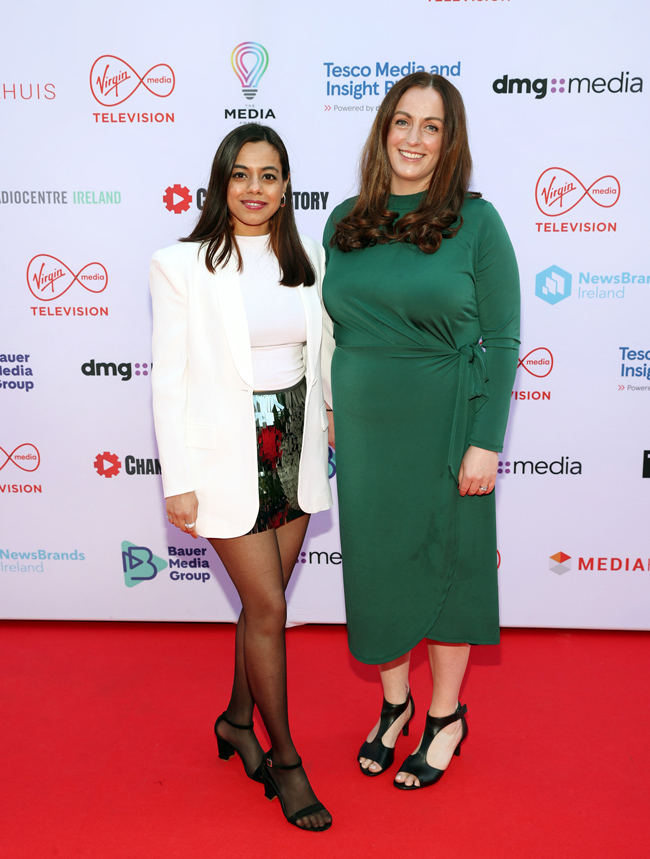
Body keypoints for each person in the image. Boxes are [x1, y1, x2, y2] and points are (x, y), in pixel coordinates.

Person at [322, 73, 520, 790]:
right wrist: (331, 410)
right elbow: (327, 328)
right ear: (382, 130)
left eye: (430, 126)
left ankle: (444, 716)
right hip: (367, 434)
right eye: (401, 122)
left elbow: (502, 337)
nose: (412, 138)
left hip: (447, 423)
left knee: (451, 568)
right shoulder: (344, 219)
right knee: (377, 567)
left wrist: (487, 438)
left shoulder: (478, 222)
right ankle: (394, 703)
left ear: (450, 140)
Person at [150, 124, 334, 830]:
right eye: (242, 174)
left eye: (269, 175)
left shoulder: (310, 258)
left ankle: (234, 721)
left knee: (263, 604)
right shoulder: (179, 264)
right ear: (221, 183)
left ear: (286, 186)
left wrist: (331, 413)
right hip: (224, 454)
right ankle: (284, 759)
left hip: (293, 445)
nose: (255, 189)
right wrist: (178, 477)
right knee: (269, 610)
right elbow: (168, 379)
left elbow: (323, 354)